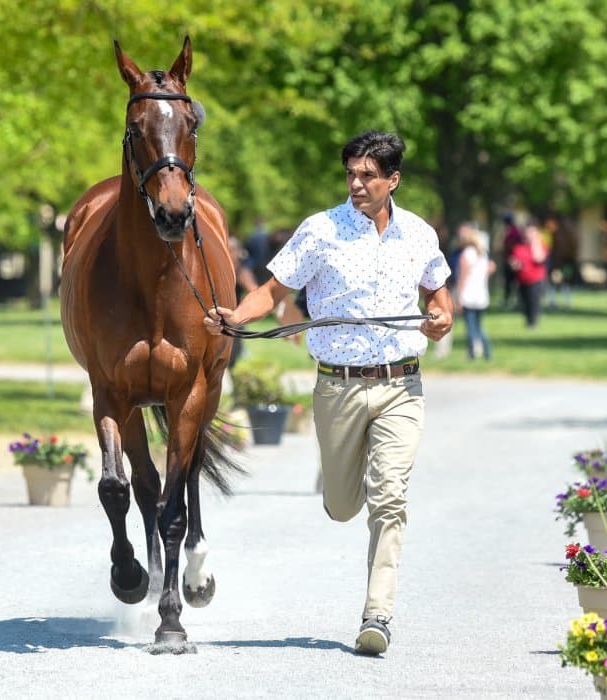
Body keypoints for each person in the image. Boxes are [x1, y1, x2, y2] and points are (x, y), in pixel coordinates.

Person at [204, 131, 452, 656]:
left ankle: (377, 615)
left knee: (390, 497)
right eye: (351, 174)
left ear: (393, 180)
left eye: (368, 175)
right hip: (338, 386)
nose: (356, 184)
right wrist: (235, 316)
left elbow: (437, 293)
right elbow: (273, 291)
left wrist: (441, 317)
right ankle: (352, 485)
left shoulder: (419, 233)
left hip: (402, 384)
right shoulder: (320, 230)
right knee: (342, 506)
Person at [456, 224, 495, 360]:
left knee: (471, 327)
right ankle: (487, 352)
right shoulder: (482, 254)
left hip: (469, 295)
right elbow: (490, 269)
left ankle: (472, 352)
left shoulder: (466, 254)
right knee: (479, 326)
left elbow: (463, 277)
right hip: (481, 295)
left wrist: (459, 296)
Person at [508, 222, 547, 328]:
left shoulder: (540, 246)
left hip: (536, 280)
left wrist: (535, 242)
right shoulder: (518, 247)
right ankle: (528, 322)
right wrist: (515, 265)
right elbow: (514, 263)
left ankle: (532, 323)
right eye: (528, 232)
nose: (529, 235)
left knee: (533, 302)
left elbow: (539, 259)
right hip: (522, 280)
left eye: (532, 232)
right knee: (524, 302)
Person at [501, 213, 522, 310]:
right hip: (509, 258)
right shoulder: (510, 231)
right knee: (509, 282)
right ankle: (509, 300)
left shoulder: (513, 232)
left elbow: (514, 245)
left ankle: (514, 301)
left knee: (512, 282)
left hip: (512, 259)